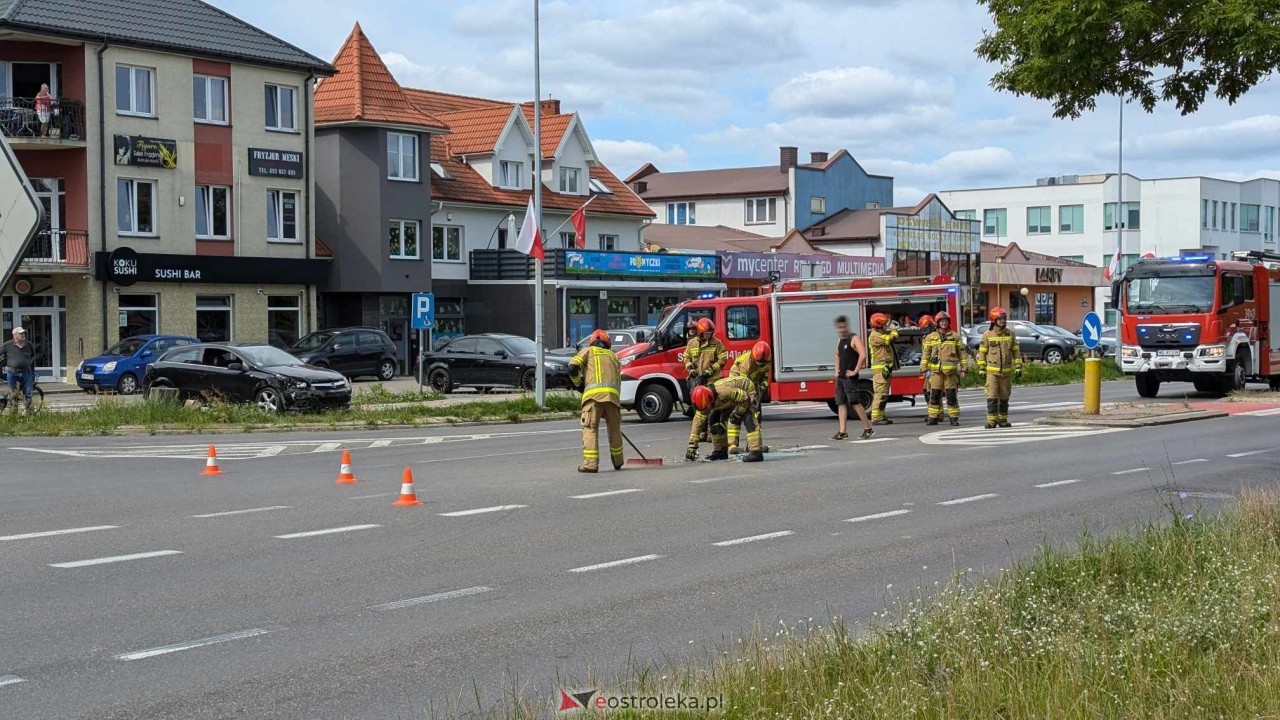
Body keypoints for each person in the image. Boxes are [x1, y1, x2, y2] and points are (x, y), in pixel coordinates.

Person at [569, 329, 624, 473]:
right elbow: (618, 380)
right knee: (615, 430)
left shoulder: (589, 351)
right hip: (612, 398)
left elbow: (572, 367)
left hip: (593, 399)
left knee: (590, 429)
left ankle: (591, 464)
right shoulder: (614, 356)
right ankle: (618, 461)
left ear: (592, 342)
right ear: (607, 344)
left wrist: (580, 385)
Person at [689, 376, 763, 462]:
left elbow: (744, 398)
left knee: (749, 418)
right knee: (713, 418)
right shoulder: (704, 402)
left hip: (746, 392)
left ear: (711, 399)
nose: (706, 411)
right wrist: (692, 447)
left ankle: (755, 452)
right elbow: (698, 423)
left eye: (706, 408)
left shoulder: (724, 392)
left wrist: (738, 414)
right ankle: (720, 451)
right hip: (729, 400)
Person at [683, 317, 726, 444]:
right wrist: (690, 368)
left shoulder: (717, 343)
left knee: (712, 407)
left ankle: (710, 433)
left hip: (712, 380)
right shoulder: (692, 344)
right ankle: (701, 432)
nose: (708, 335)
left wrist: (712, 370)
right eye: (706, 333)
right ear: (700, 333)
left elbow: (722, 359)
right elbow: (686, 357)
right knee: (698, 407)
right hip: (696, 379)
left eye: (710, 333)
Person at [976, 307, 1022, 428]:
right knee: (991, 396)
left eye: (1004, 319)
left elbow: (1015, 351)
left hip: (1006, 372)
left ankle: (1003, 420)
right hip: (992, 372)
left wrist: (1018, 366)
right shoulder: (987, 335)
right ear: (993, 320)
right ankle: (992, 421)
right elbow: (982, 353)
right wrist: (981, 367)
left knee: (1004, 396)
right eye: (1000, 319)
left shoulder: (1010, 334)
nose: (1003, 321)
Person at [832, 315, 874, 440]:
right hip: (841, 377)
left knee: (855, 402)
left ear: (846, 326)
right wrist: (837, 369)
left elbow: (863, 355)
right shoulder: (840, 340)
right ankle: (842, 432)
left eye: (843, 326)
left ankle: (868, 428)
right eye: (839, 327)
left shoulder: (854, 338)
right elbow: (837, 355)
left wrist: (855, 371)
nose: (841, 329)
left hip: (850, 379)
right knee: (841, 403)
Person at [727, 340, 771, 455]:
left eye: (762, 363)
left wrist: (760, 390)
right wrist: (750, 398)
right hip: (737, 386)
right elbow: (743, 383)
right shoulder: (745, 364)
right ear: (753, 357)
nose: (760, 365)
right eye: (758, 363)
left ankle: (754, 445)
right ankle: (732, 446)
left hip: (753, 387)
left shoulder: (766, 361)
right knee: (737, 415)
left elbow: (765, 378)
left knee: (756, 416)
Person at [925, 311, 967, 426]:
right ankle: (933, 418)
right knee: (934, 396)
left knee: (951, 395)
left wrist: (964, 369)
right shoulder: (931, 337)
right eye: (941, 321)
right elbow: (926, 354)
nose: (944, 323)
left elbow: (962, 354)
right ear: (938, 323)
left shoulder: (955, 337)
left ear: (948, 322)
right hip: (936, 372)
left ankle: (953, 418)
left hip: (950, 373)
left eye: (945, 321)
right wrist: (924, 369)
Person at [867, 312, 899, 425]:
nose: (886, 325)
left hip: (884, 369)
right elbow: (891, 338)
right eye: (884, 323)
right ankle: (876, 418)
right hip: (880, 370)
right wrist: (893, 329)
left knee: (884, 393)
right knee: (880, 393)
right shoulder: (875, 335)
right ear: (879, 325)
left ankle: (881, 415)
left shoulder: (879, 333)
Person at [0, 326, 37, 413]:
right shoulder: (8, 345)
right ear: (15, 336)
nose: (23, 335)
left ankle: (30, 415)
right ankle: (14, 414)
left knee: (28, 394)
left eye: (23, 333)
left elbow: (33, 355)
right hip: (12, 372)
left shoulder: (29, 344)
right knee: (13, 395)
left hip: (26, 372)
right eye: (21, 334)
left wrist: (29, 363)